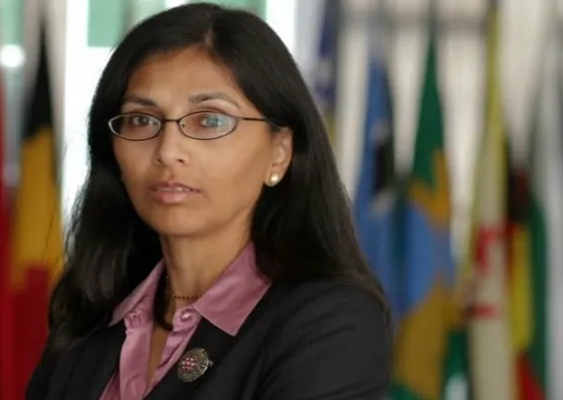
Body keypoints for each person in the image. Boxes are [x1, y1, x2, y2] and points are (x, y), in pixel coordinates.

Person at [26, 3, 391, 399]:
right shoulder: (91, 316)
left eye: (210, 120)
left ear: (280, 152)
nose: (168, 151)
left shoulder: (328, 323)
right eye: (142, 120)